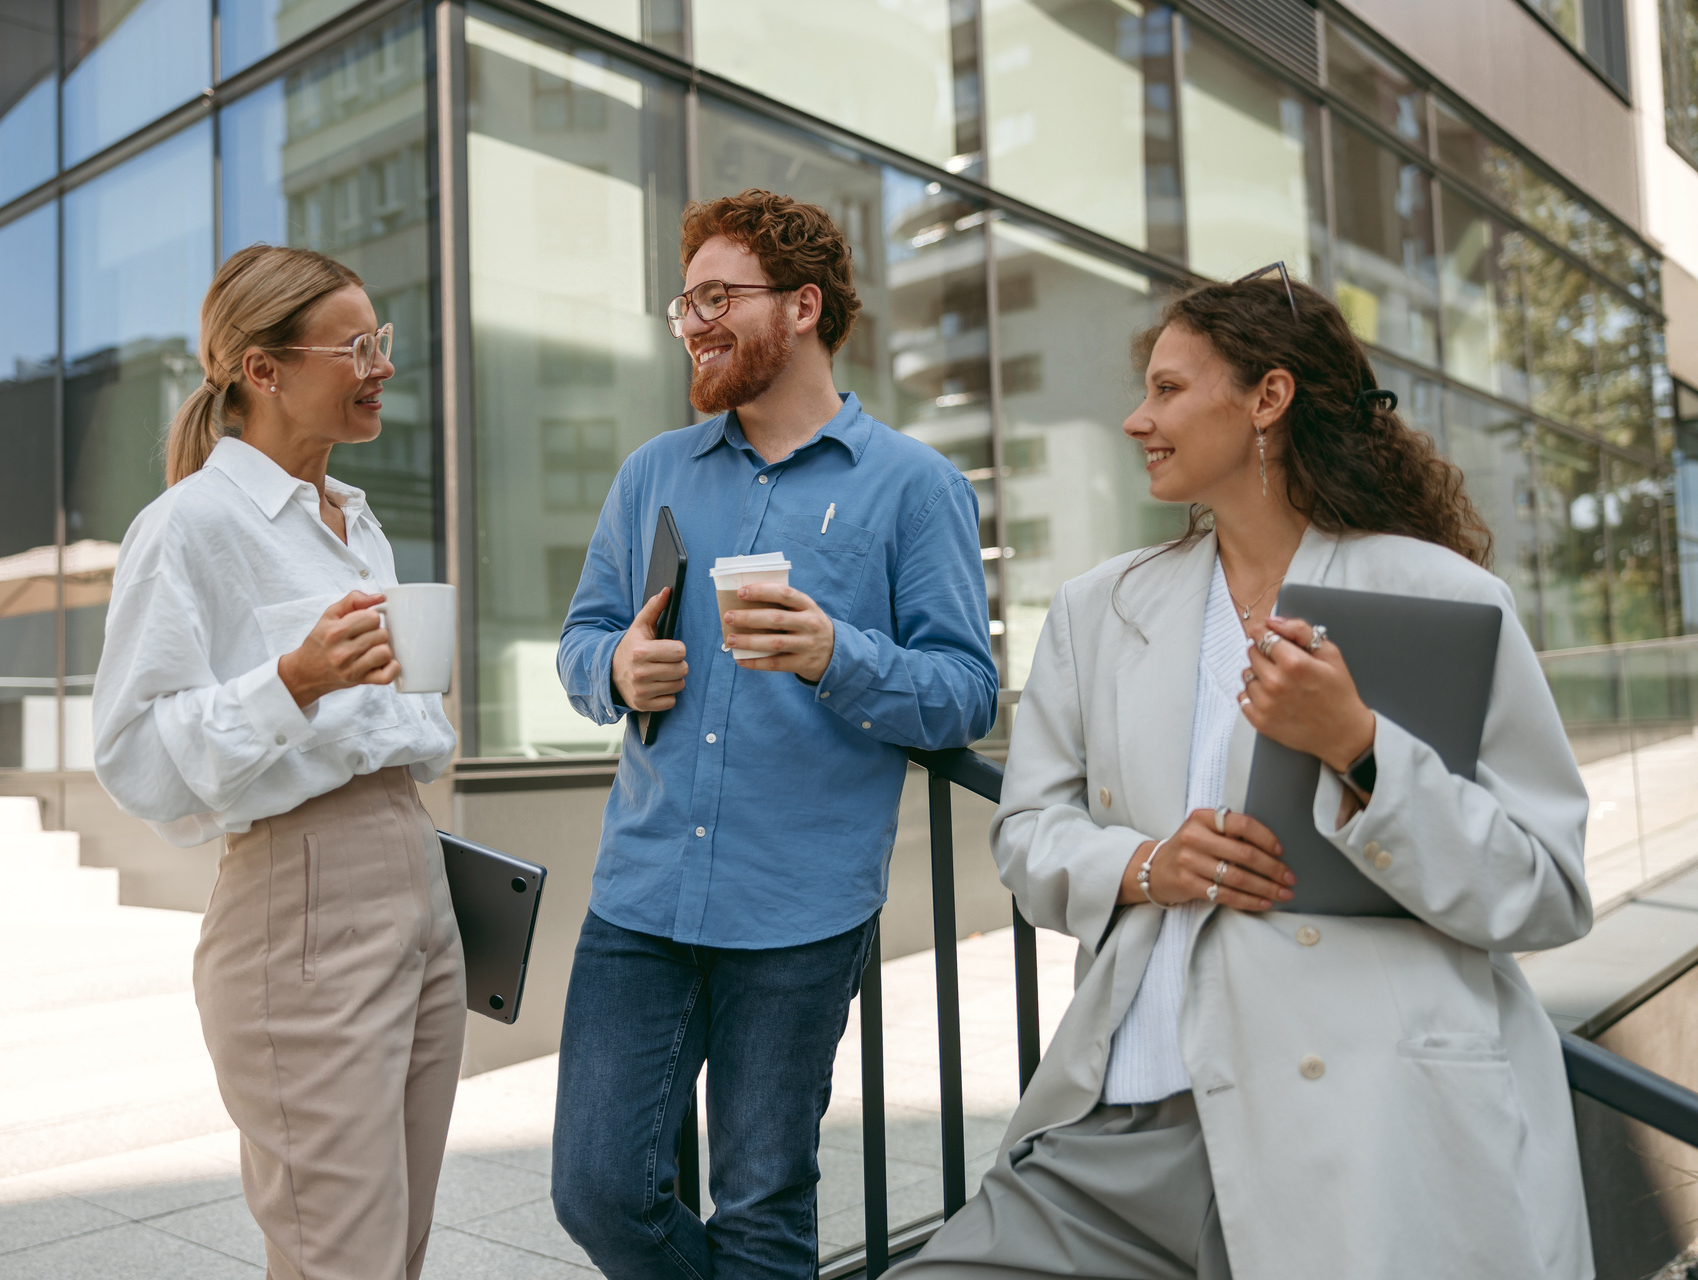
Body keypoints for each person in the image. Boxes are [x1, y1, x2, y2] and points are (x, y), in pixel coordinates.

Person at [893, 270, 1594, 1280]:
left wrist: (1358, 746)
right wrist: (1147, 864)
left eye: (1169, 390)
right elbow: (1029, 829)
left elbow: (1548, 884)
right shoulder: (1101, 610)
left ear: (1268, 398)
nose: (1138, 419)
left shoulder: (1444, 596)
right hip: (1120, 1134)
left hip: (1363, 1138)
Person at [549, 189, 998, 1278]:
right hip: (642, 893)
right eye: (683, 302)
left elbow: (967, 691)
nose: (694, 319)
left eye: (718, 295)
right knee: (599, 1187)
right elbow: (582, 640)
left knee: (762, 1208)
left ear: (803, 306)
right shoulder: (653, 473)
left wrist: (832, 652)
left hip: (800, 908)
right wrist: (614, 665)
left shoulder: (914, 486)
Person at [92, 244, 464, 1280]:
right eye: (355, 344)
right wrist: (291, 680)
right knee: (343, 1252)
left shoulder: (356, 520)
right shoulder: (189, 528)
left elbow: (387, 724)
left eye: (378, 339)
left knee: (395, 1247)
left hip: (415, 872)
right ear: (264, 369)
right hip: (298, 898)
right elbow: (132, 756)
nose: (380, 362)